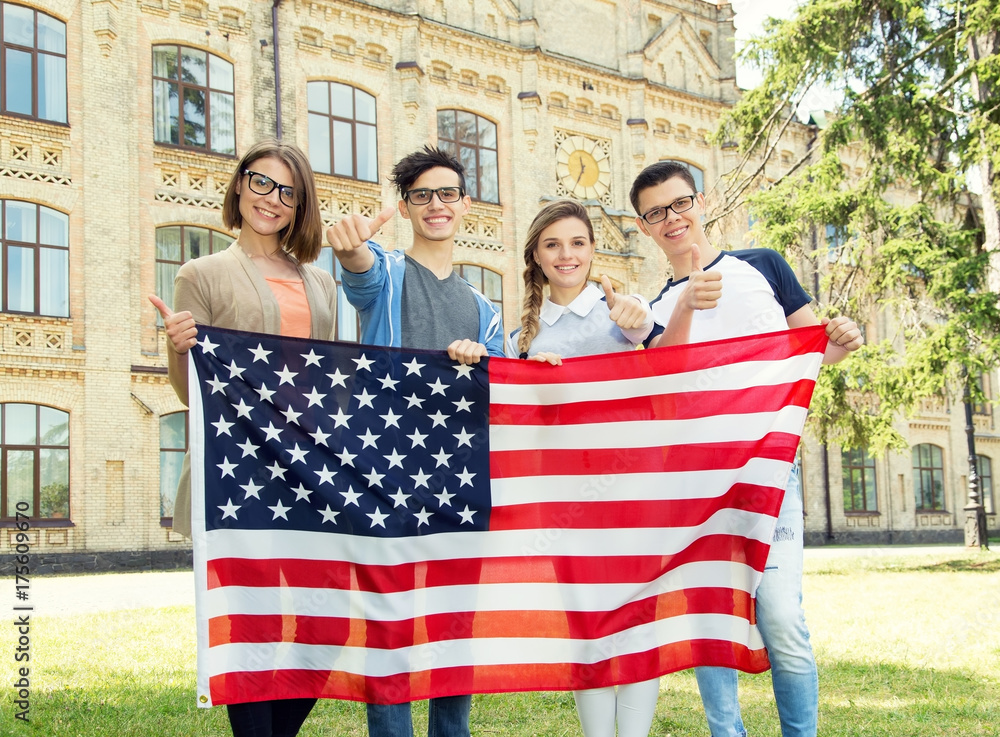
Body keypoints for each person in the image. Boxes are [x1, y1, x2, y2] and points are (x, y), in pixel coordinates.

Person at [629, 161, 864, 737]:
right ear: (643, 227)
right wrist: (686, 304)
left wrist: (843, 339)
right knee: (712, 623)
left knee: (781, 619)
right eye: (656, 213)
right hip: (696, 482)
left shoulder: (763, 266)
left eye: (679, 203)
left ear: (701, 202)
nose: (671, 218)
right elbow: (667, 384)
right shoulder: (653, 311)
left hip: (770, 472)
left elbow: (812, 352)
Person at [149, 138, 336, 737]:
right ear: (239, 184)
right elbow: (192, 394)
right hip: (240, 477)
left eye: (288, 191)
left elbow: (328, 380)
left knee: (326, 626)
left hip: (307, 473)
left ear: (300, 204)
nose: (271, 199)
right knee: (254, 630)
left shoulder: (322, 284)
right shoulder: (201, 274)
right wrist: (180, 350)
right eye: (261, 182)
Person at [507, 199, 711, 737]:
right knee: (586, 626)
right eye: (552, 244)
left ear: (593, 250)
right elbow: (518, 424)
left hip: (632, 489)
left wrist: (656, 320)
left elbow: (672, 364)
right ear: (535, 256)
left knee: (637, 619)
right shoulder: (520, 337)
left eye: (577, 242)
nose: (566, 254)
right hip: (565, 499)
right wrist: (532, 381)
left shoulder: (625, 309)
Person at [324, 145, 504, 737]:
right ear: (404, 207)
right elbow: (360, 273)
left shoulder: (484, 309)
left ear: (465, 204)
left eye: (447, 193)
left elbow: (503, 390)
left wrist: (483, 363)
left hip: (459, 479)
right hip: (386, 475)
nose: (435, 204)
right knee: (391, 628)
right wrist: (349, 247)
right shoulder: (388, 271)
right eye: (421, 195)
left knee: (455, 628)